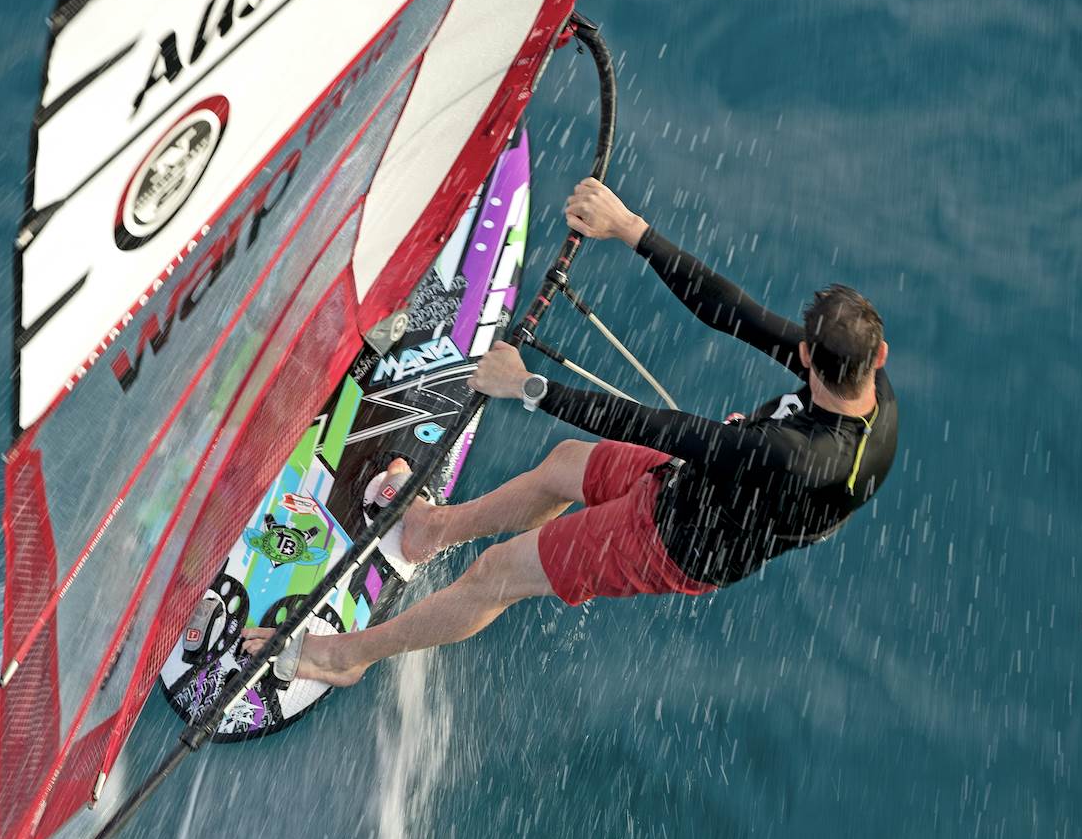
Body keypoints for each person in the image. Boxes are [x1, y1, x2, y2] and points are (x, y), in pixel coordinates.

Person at [242, 177, 899, 686]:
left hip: (678, 539)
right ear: (879, 356)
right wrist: (632, 229)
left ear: (809, 358)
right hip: (695, 482)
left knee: (498, 574)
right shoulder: (860, 376)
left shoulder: (802, 454)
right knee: (564, 465)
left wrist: (530, 388)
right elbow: (735, 314)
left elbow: (667, 429)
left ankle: (344, 658)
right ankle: (428, 531)